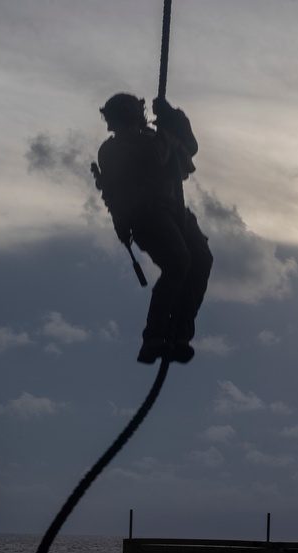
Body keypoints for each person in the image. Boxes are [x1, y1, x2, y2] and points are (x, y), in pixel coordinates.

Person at [92, 92, 212, 364]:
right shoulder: (112, 150)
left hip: (174, 210)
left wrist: (171, 116)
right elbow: (153, 158)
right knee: (179, 262)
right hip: (145, 215)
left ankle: (180, 333)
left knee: (201, 259)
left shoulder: (154, 137)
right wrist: (165, 133)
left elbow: (188, 149)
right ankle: (155, 335)